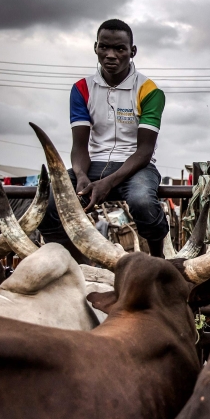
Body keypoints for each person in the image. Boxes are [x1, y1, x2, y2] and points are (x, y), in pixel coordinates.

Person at [38, 19, 170, 259]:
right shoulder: (81, 89)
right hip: (93, 165)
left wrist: (107, 182)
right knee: (48, 206)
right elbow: (79, 147)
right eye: (104, 47)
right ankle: (73, 262)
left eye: (120, 48)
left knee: (142, 202)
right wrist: (79, 176)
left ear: (133, 52)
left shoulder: (150, 91)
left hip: (137, 166)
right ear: (95, 47)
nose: (111, 55)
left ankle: (158, 260)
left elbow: (144, 152)